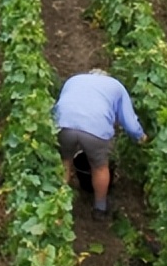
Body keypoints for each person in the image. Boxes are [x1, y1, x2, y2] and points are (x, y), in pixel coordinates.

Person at [53, 69, 148, 221]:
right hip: (95, 129)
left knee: (65, 161)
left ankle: (57, 205)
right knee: (99, 167)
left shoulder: (74, 79)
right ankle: (100, 209)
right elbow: (129, 122)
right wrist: (140, 137)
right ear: (107, 77)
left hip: (64, 124)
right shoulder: (116, 86)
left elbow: (60, 105)